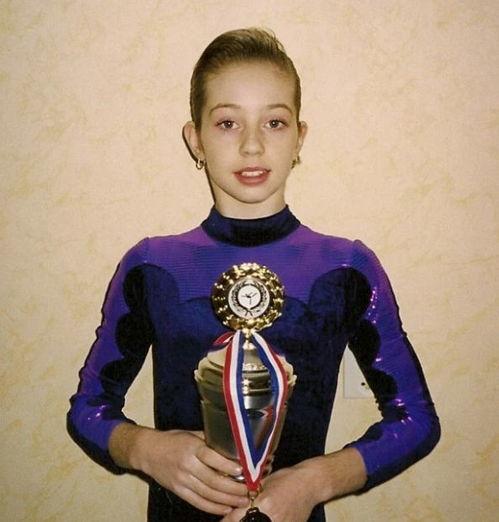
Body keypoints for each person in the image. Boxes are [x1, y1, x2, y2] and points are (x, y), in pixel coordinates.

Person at [67, 28, 440, 522]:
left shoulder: (346, 267)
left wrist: (314, 482)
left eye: (274, 123)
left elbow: (416, 420)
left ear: (299, 137)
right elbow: (88, 409)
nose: (251, 145)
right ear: (195, 139)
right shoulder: (152, 266)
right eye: (227, 123)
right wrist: (146, 449)